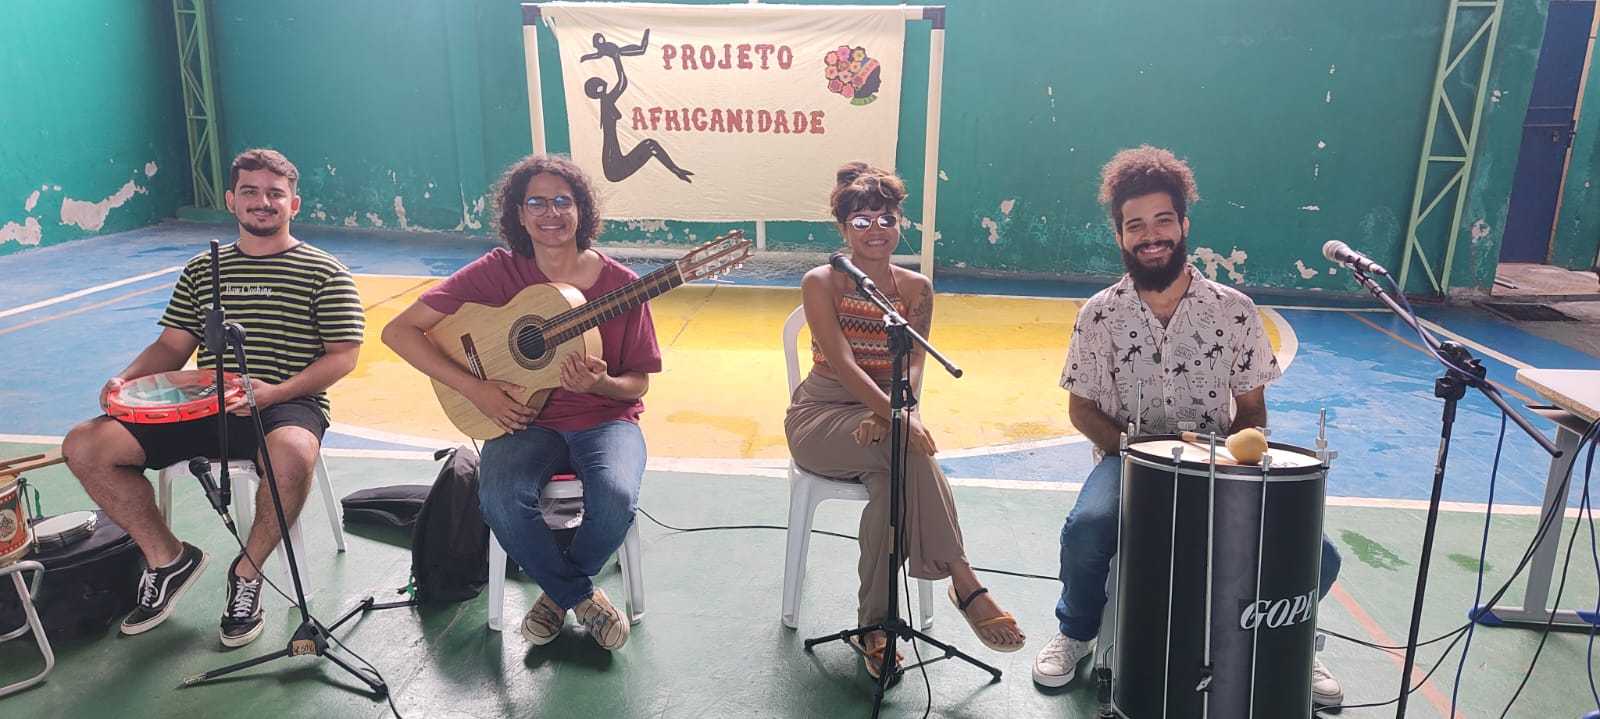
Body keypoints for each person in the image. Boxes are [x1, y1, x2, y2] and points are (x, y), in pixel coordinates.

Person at [1031, 145, 1345, 708]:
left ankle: (1293, 639)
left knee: (1319, 554)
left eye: (1162, 221)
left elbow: (1251, 408)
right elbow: (1082, 410)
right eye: (1135, 226)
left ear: (1183, 225)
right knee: (1087, 529)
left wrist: (1233, 458)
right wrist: (1136, 454)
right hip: (1128, 461)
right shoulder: (1099, 313)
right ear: (1120, 235)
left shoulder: (1235, 309)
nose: (1150, 236)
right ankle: (1076, 631)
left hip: (1218, 464)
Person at [62, 148, 365, 648]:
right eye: (250, 191)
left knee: (292, 454)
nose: (262, 202)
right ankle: (168, 559)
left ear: (294, 204)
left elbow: (343, 356)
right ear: (231, 199)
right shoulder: (204, 269)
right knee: (85, 445)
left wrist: (276, 392)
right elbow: (171, 347)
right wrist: (124, 379)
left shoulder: (324, 271)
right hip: (205, 400)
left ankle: (247, 573)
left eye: (275, 193)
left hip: (286, 400)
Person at [382, 154, 658, 651]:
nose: (550, 213)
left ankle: (560, 596)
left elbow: (637, 383)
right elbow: (398, 331)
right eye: (536, 203)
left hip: (605, 420)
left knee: (616, 496)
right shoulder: (497, 272)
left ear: (582, 211)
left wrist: (601, 385)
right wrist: (476, 389)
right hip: (521, 419)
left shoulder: (622, 286)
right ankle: (581, 597)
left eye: (563, 201)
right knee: (499, 499)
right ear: (519, 213)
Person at [785, 162, 1026, 678]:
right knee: (906, 449)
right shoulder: (821, 281)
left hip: (885, 415)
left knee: (893, 487)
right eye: (861, 221)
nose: (875, 230)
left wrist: (896, 414)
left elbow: (914, 368)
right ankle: (965, 582)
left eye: (886, 219)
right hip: (822, 415)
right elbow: (843, 365)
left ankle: (873, 627)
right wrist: (892, 416)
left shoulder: (917, 289)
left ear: (900, 223)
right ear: (843, 228)